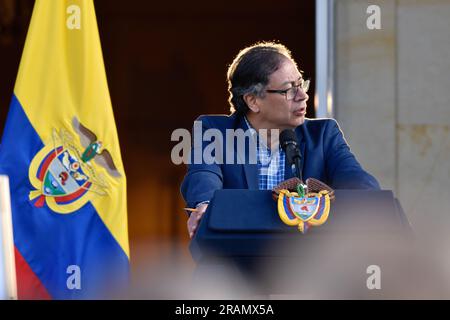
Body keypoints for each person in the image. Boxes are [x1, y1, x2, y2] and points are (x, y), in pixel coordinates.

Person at [181, 41, 380, 238]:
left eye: (301, 85)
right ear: (253, 100)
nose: (303, 96)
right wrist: (204, 205)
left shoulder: (324, 134)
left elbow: (356, 178)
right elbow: (204, 174)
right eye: (288, 90)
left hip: (305, 262)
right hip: (235, 262)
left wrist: (371, 201)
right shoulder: (216, 131)